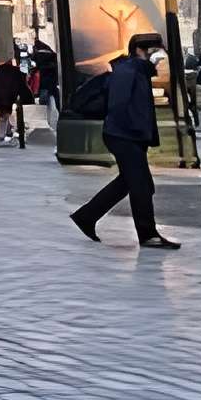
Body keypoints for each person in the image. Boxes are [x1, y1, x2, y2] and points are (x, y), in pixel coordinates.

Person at [70, 32, 180, 249]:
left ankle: (87, 216)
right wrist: (133, 129)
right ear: (141, 50)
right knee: (140, 185)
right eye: (155, 51)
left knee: (129, 182)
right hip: (124, 135)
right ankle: (148, 235)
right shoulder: (129, 71)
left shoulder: (137, 71)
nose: (159, 56)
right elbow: (118, 105)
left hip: (128, 135)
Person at [0, 54, 33, 147]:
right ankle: (7, 132)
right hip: (11, 95)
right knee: (7, 115)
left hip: (0, 96)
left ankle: (4, 133)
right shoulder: (17, 72)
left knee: (3, 115)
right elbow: (22, 86)